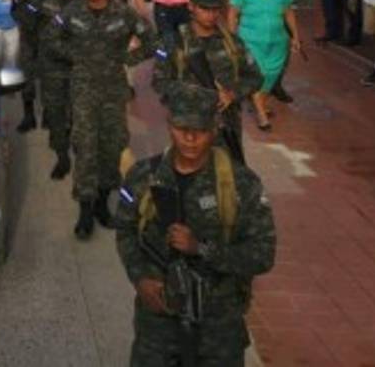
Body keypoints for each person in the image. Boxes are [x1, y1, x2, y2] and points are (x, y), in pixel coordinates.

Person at [116, 81, 276, 367]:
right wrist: (139, 277)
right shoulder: (142, 177)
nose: (190, 138)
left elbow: (263, 255)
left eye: (200, 131)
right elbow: (126, 230)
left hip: (218, 326)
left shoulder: (241, 184)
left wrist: (201, 248)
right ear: (169, 125)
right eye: (182, 129)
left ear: (214, 130)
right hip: (158, 324)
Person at [54, 0, 158, 239]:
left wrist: (128, 58)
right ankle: (85, 210)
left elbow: (152, 41)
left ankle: (102, 202)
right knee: (86, 146)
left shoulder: (124, 14)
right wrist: (74, 56)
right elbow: (54, 37)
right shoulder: (72, 11)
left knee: (112, 145)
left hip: (113, 90)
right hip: (84, 89)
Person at [152, 0, 262, 160]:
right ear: (191, 6)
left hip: (225, 126)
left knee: (227, 177)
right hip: (188, 130)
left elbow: (255, 77)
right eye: (204, 8)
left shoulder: (232, 43)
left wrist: (232, 95)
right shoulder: (173, 43)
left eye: (215, 9)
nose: (211, 15)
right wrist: (194, 94)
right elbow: (159, 82)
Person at [228, 0, 298, 130]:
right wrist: (232, 38)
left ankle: (259, 101)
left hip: (278, 42)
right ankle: (261, 114)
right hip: (251, 42)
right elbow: (232, 15)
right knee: (258, 74)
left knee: (272, 74)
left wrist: (296, 36)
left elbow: (288, 13)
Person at [37, 0, 83, 180]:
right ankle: (62, 157)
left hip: (77, 65)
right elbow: (30, 24)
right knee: (55, 112)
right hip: (52, 65)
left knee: (78, 111)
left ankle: (77, 146)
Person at [14, 0, 50, 133]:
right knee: (27, 81)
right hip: (28, 41)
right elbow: (16, 13)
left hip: (48, 43)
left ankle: (49, 116)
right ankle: (29, 116)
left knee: (49, 81)